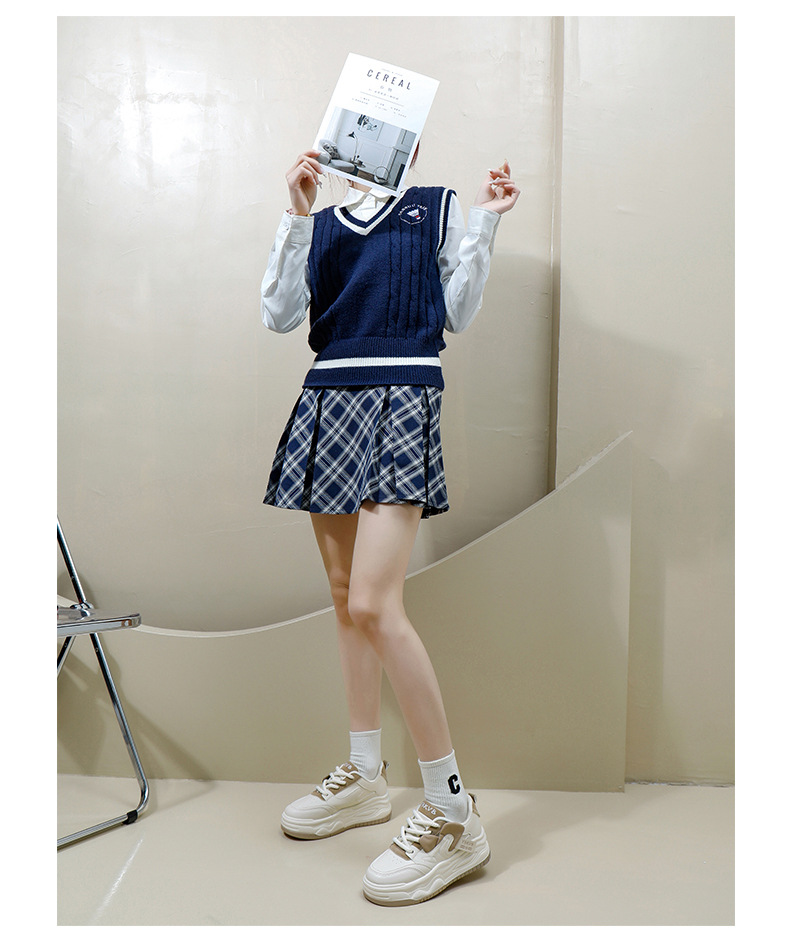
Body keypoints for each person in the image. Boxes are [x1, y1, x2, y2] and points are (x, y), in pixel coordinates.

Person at [260, 147, 519, 906]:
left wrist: (485, 222)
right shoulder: (322, 223)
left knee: (375, 604)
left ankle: (452, 811)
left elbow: (455, 313)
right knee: (346, 599)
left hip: (404, 392)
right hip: (329, 395)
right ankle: (367, 774)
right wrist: (297, 212)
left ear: (406, 142)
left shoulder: (434, 207)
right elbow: (280, 315)